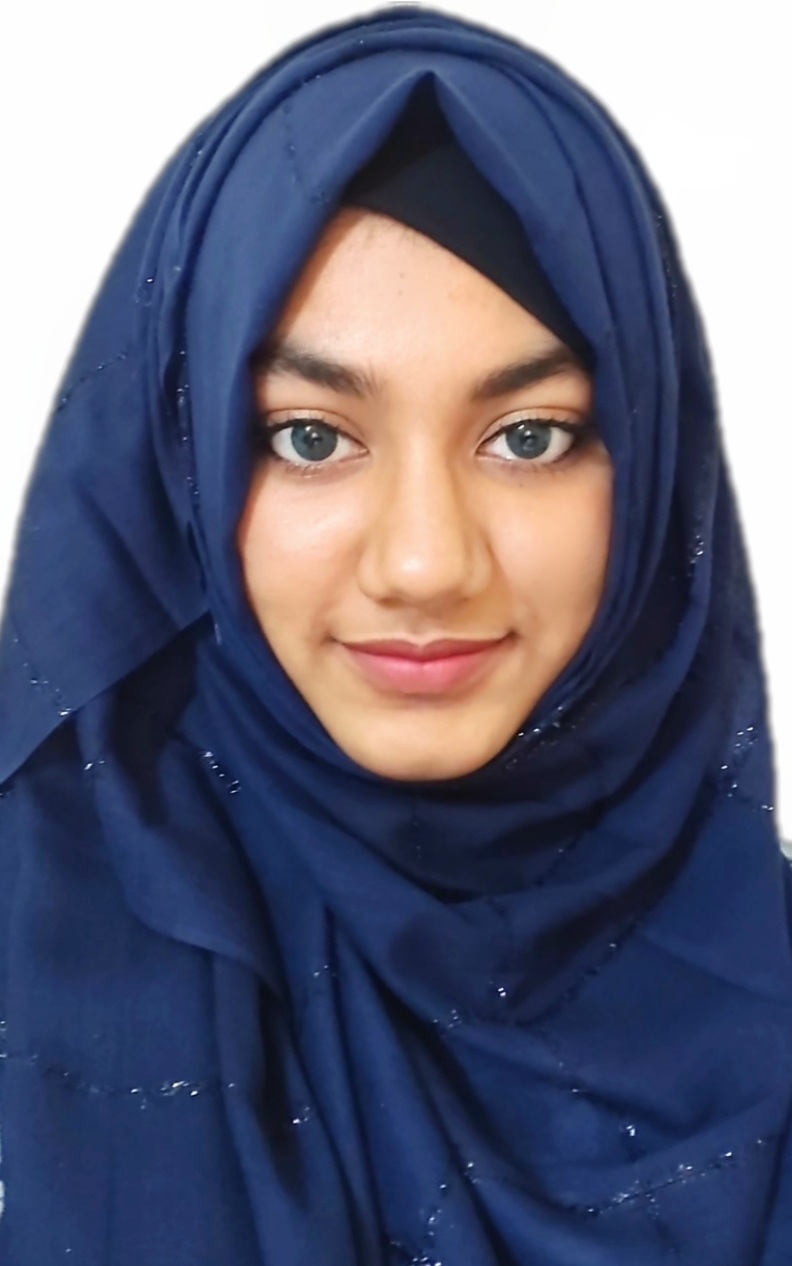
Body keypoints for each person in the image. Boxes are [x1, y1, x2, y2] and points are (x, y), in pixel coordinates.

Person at [0, 6, 790, 1263]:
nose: (424, 564)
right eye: (309, 437)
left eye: (529, 436)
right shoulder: (36, 969)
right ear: (182, 475)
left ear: (651, 474)